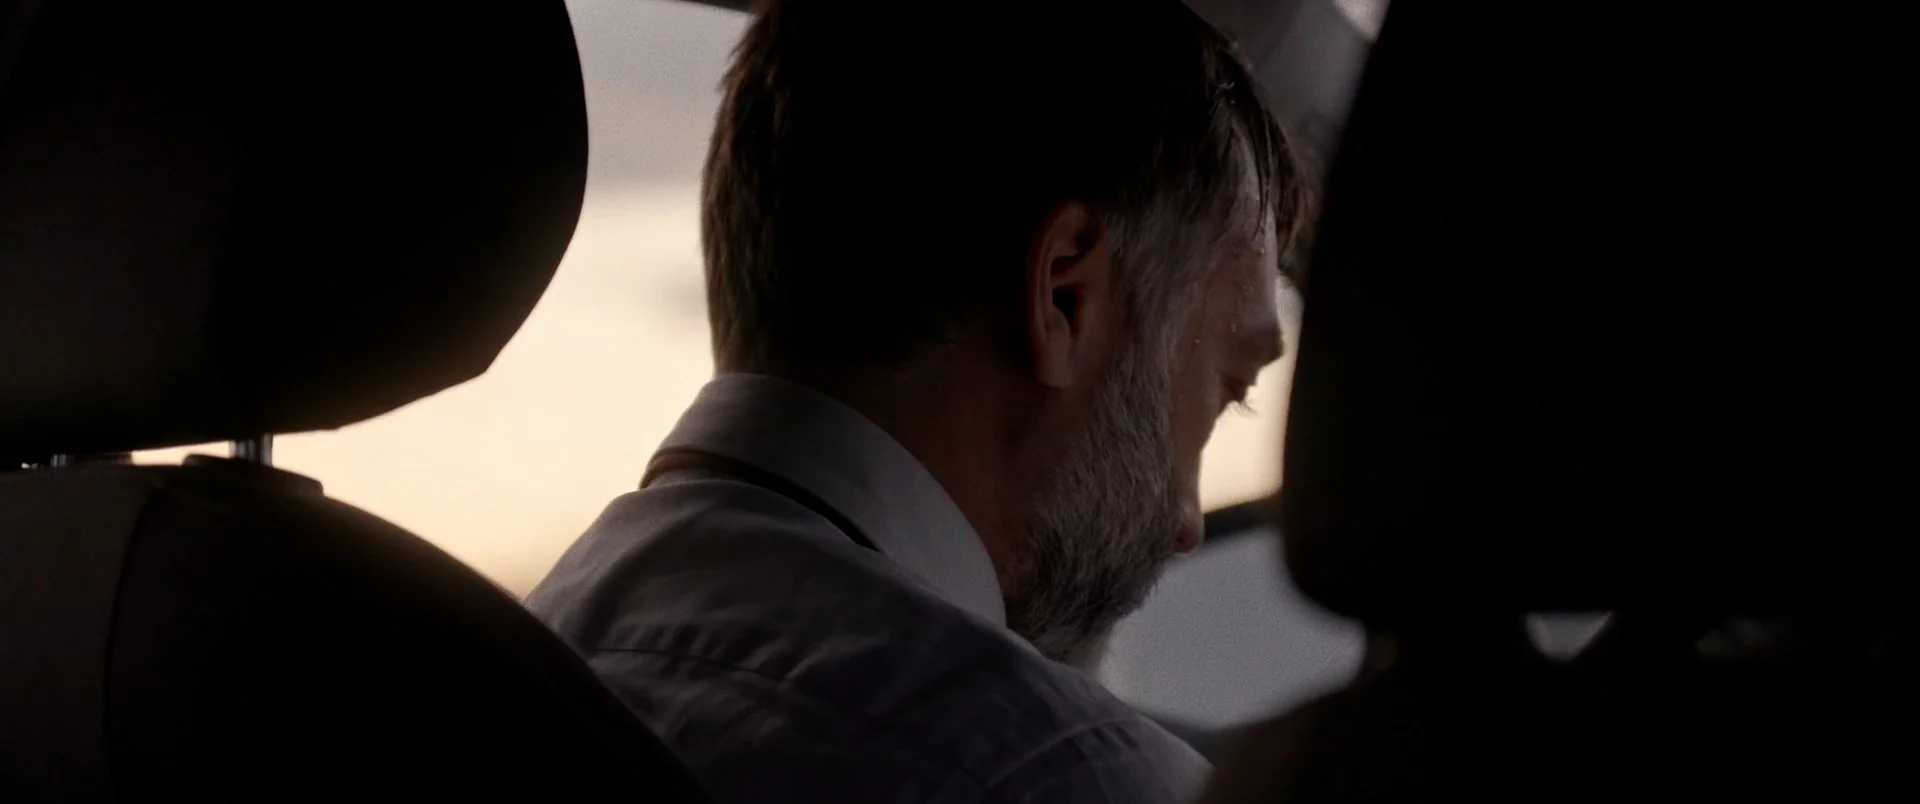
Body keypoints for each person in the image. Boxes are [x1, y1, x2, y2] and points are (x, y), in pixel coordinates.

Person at [526, 0, 1310, 800]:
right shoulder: (1070, 775)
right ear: (1064, 297)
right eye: (1223, 390)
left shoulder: (512, 652)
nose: (1186, 525)